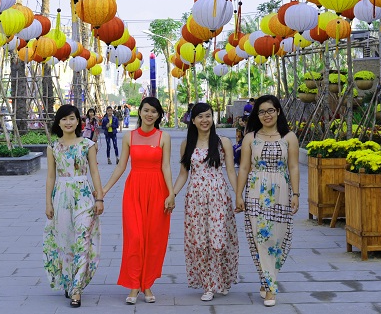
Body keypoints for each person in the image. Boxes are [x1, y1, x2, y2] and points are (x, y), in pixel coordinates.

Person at [102, 97, 175, 305]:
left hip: (157, 190)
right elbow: (121, 166)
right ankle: (134, 284)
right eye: (146, 110)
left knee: (153, 239)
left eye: (154, 111)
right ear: (140, 112)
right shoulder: (129, 137)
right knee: (134, 237)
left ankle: (147, 284)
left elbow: (166, 167)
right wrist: (105, 189)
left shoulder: (164, 137)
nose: (149, 114)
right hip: (134, 190)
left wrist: (171, 194)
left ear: (159, 115)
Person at [235, 95, 300, 307]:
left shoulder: (289, 137)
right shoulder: (250, 138)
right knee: (261, 239)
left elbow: (294, 167)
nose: (266, 115)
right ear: (257, 115)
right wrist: (238, 194)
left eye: (270, 110)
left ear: (278, 111)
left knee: (279, 240)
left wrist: (296, 194)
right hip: (255, 193)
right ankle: (271, 288)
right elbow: (244, 168)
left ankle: (265, 280)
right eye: (262, 112)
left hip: (281, 191)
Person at [173, 103, 241, 301]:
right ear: (192, 120)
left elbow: (230, 171)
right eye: (200, 116)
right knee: (201, 242)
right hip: (195, 199)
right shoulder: (187, 144)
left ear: (213, 118)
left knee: (219, 241)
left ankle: (223, 279)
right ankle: (208, 285)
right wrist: (172, 194)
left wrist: (238, 195)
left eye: (208, 116)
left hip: (219, 196)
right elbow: (183, 174)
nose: (205, 120)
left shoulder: (223, 142)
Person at [43, 104, 104, 308]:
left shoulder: (87, 144)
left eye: (72, 118)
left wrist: (99, 198)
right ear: (58, 123)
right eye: (64, 119)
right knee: (65, 242)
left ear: (79, 121)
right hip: (61, 196)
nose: (68, 122)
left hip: (84, 195)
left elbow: (94, 172)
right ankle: (68, 281)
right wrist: (48, 202)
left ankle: (77, 288)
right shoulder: (53, 147)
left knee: (82, 239)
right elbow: (50, 176)